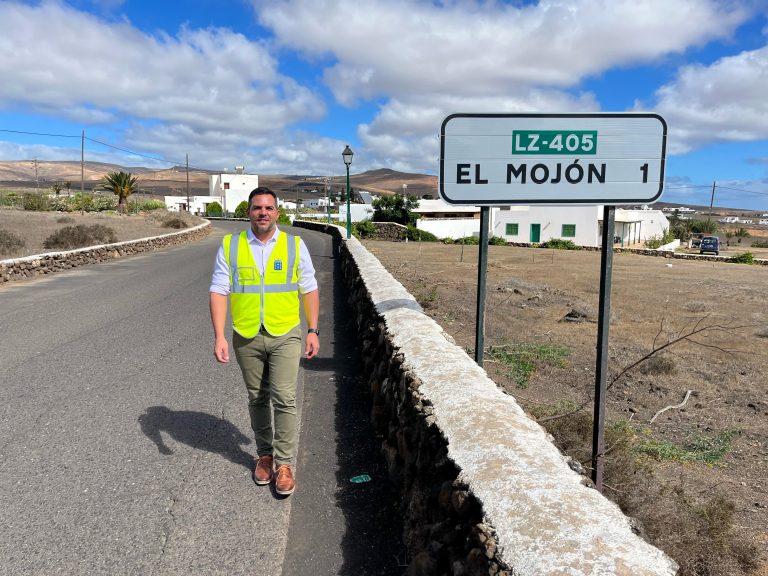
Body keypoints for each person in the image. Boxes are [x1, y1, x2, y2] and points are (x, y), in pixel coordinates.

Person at [209, 187, 319, 496]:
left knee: (284, 397)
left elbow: (309, 287)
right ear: (249, 212)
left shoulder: (295, 245)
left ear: (277, 213)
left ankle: (284, 464)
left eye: (269, 208)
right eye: (257, 207)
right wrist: (219, 335)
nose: (263, 213)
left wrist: (313, 330)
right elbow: (219, 289)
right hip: (246, 334)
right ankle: (265, 455)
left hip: (285, 332)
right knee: (257, 397)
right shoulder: (231, 245)